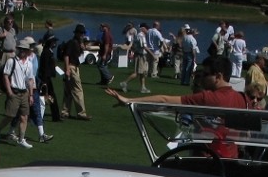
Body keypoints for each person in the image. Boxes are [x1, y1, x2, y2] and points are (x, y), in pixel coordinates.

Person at [107, 56, 247, 157]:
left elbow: (165, 100)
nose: (202, 77)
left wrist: (129, 100)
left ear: (218, 76)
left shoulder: (209, 98)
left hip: (207, 159)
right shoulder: (242, 98)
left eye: (205, 74)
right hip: (231, 158)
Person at [0, 38, 36, 149]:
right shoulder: (11, 61)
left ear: (27, 51)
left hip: (24, 93)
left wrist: (31, 94)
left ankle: (21, 139)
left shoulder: (29, 64)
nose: (22, 51)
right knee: (9, 116)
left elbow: (30, 80)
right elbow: (5, 76)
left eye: (24, 49)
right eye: (20, 49)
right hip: (14, 92)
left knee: (24, 117)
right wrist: (9, 91)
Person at [61, 24, 90, 120]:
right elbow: (66, 56)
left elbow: (80, 54)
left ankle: (65, 111)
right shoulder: (72, 42)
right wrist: (67, 69)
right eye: (81, 33)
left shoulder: (77, 43)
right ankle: (81, 113)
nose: (82, 35)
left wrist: (82, 47)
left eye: (83, 33)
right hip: (72, 67)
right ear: (77, 33)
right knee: (78, 90)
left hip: (74, 66)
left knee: (68, 91)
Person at [120, 22, 153, 94]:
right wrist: (152, 54)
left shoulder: (139, 35)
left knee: (142, 73)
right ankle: (124, 83)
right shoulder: (141, 35)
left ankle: (143, 88)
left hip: (140, 55)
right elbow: (144, 46)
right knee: (138, 73)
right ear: (143, 28)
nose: (147, 30)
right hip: (140, 56)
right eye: (146, 28)